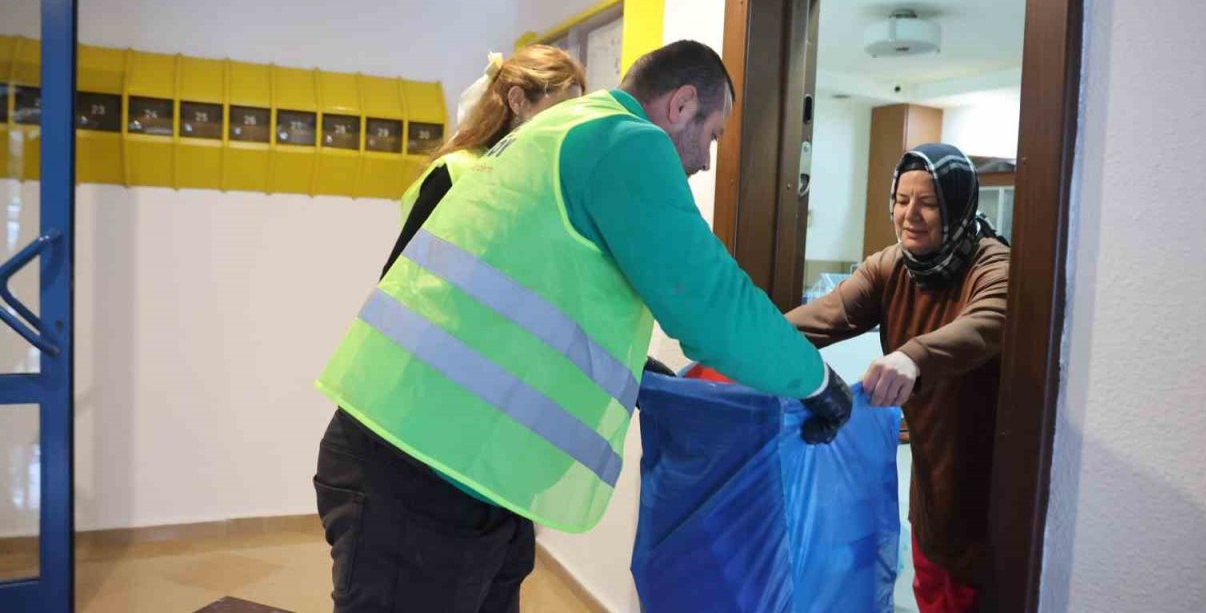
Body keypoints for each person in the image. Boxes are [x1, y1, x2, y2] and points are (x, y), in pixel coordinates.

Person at [312, 40, 855, 613]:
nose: (706, 161)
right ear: (681, 105)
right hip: (420, 472)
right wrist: (816, 380)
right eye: (713, 135)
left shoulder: (564, 130)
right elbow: (710, 302)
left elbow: (538, 284)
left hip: (452, 460)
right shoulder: (625, 142)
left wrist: (627, 365)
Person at [785, 143, 1010, 613]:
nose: (911, 215)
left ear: (958, 206)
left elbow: (993, 317)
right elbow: (822, 318)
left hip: (990, 483)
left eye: (928, 203)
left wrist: (913, 356)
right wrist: (736, 348)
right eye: (902, 200)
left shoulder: (993, 265)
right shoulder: (891, 267)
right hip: (930, 479)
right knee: (930, 591)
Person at [382, 45, 587, 277]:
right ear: (518, 100)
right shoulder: (456, 171)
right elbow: (398, 277)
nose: (564, 128)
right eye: (556, 115)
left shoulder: (541, 183)